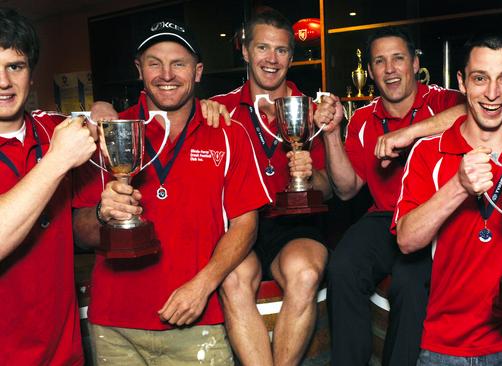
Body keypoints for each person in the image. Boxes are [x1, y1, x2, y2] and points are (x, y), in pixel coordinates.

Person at [72, 19, 271, 365]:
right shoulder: (107, 134)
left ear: (197, 72)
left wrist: (204, 285)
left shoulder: (228, 133)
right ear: (139, 70)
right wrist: (105, 214)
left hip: (196, 320)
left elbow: (245, 226)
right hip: (115, 327)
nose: (166, 74)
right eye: (154, 63)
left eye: (178, 63)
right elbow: (80, 231)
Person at [393, 33, 502, 365]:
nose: (492, 94)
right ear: (462, 82)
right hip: (446, 344)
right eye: (479, 78)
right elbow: (406, 240)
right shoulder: (429, 150)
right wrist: (457, 186)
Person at [314, 27, 465, 366]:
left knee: (410, 285)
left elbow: (474, 113)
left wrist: (409, 134)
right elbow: (347, 188)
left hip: (434, 220)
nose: (390, 69)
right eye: (380, 61)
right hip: (385, 216)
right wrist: (332, 133)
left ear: (414, 63)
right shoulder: (365, 118)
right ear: (370, 72)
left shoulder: (442, 99)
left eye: (398, 58)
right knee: (342, 266)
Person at [209, 10, 331, 366]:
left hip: (293, 225)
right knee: (232, 279)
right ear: (244, 51)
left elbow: (333, 189)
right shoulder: (219, 109)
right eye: (262, 47)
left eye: (281, 50)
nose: (271, 59)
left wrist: (309, 175)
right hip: (239, 225)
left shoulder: (310, 110)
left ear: (291, 57)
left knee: (306, 274)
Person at [0, 7, 96, 365]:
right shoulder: (61, 148)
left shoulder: (55, 130)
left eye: (15, 66)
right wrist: (56, 161)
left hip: (64, 352)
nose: (4, 82)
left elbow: (86, 226)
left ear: (31, 74)